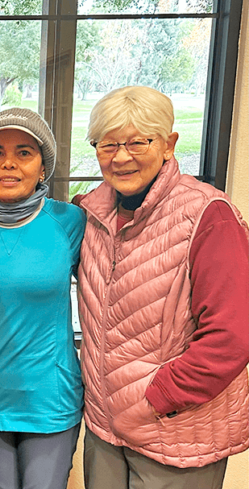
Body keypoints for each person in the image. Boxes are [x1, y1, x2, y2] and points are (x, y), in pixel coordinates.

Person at [76, 86, 249, 489]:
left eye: (138, 142)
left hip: (177, 431)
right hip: (105, 430)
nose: (121, 156)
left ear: (169, 144)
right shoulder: (92, 213)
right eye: (108, 144)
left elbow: (231, 337)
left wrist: (158, 397)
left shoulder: (209, 215)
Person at [0, 108, 85, 489]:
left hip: (50, 398)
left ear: (43, 168)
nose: (8, 163)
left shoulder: (71, 222)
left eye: (24, 152)